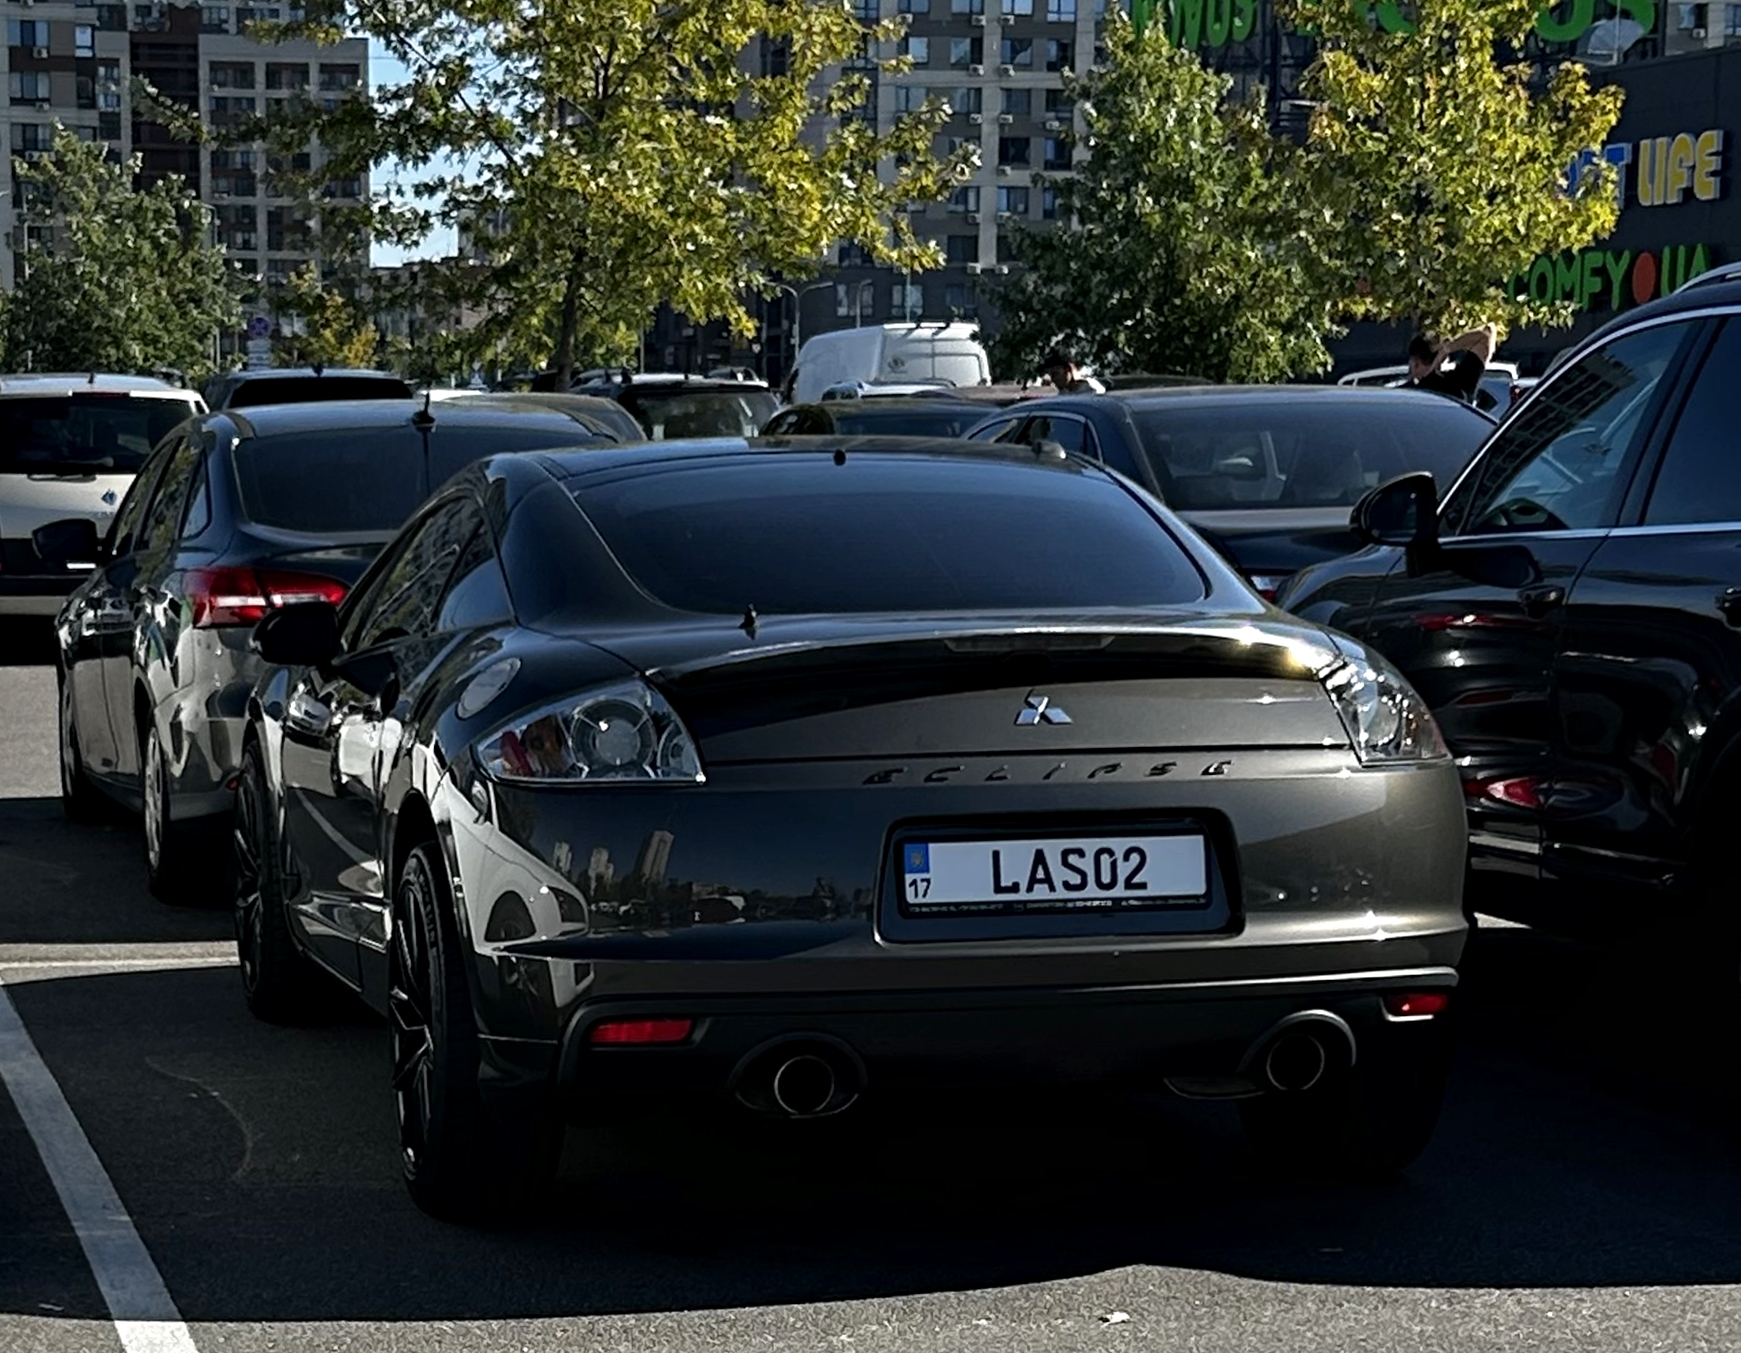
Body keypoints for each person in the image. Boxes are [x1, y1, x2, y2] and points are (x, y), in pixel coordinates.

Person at [1405, 325, 1498, 409]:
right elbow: (1484, 336)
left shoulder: (1406, 395)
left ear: (1415, 363)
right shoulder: (1460, 381)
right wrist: (1447, 349)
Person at [1041, 347, 1106, 394]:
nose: (1053, 379)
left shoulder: (1087, 389)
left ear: (1067, 370)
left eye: (1056, 374)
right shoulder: (1061, 393)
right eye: (1051, 375)